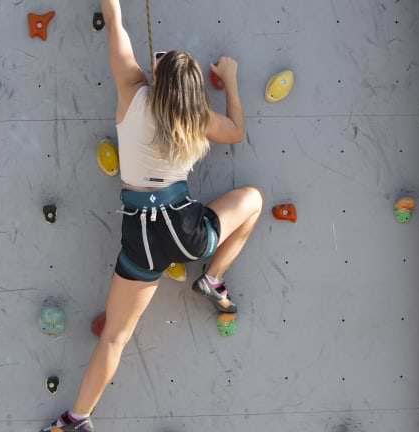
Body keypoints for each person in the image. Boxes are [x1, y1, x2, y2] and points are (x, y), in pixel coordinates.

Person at [41, 0, 262, 430]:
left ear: (157, 79)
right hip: (185, 231)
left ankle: (75, 419)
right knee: (252, 199)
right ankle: (213, 277)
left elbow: (115, 26)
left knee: (115, 336)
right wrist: (231, 81)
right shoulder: (196, 117)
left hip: (141, 237)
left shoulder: (132, 92)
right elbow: (236, 131)